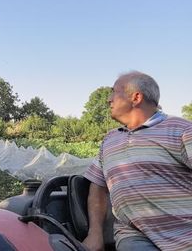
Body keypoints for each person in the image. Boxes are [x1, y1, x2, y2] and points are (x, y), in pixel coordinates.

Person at [81, 71, 192, 251]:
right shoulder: (109, 140)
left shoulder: (181, 130)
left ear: (136, 97)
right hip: (134, 236)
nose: (109, 99)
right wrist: (95, 233)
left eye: (113, 92)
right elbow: (97, 187)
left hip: (185, 234)